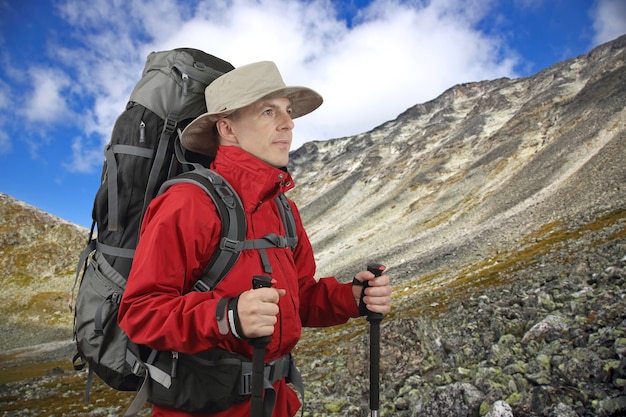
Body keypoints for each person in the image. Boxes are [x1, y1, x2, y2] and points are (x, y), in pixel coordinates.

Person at [118, 61, 392, 417]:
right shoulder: (188, 203)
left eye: (288, 112)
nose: (289, 124)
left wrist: (351, 298)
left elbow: (299, 298)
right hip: (203, 408)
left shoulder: (283, 209)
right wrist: (227, 316)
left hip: (274, 403)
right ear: (228, 129)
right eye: (268, 111)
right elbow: (140, 313)